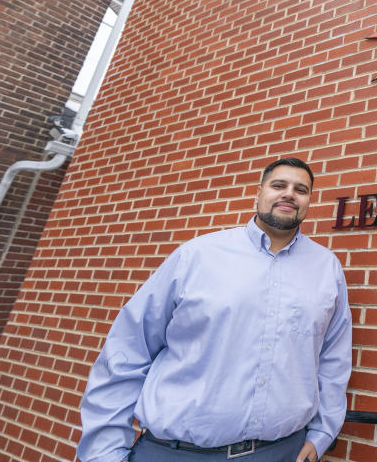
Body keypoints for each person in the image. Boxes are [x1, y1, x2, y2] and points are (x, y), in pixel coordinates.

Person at [76, 157, 352, 462]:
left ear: (309, 201)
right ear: (258, 193)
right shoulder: (197, 256)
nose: (289, 193)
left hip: (282, 452)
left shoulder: (326, 268)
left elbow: (333, 359)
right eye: (278, 185)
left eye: (301, 189)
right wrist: (104, 453)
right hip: (176, 453)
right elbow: (128, 351)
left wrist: (323, 432)